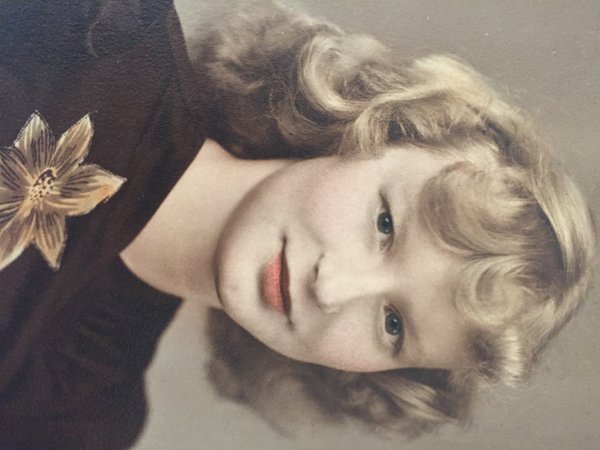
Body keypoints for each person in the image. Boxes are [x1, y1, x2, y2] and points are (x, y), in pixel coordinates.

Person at [0, 1, 594, 449]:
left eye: (393, 325)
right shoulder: (97, 31)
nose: (332, 288)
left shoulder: (77, 418)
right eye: (385, 224)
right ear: (374, 126)